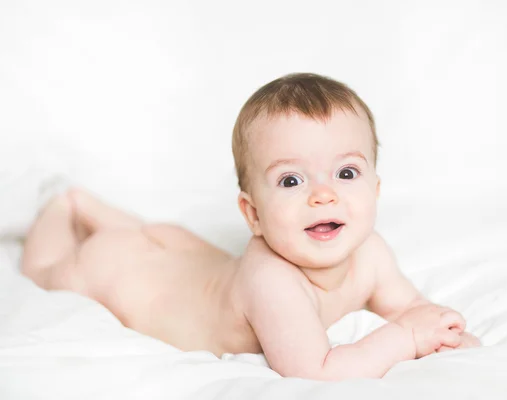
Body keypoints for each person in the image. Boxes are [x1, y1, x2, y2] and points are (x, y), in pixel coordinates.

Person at [21, 72, 481, 380]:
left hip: (185, 257)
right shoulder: (272, 280)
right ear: (253, 214)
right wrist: (406, 338)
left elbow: (410, 307)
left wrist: (441, 331)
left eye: (345, 173)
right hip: (128, 278)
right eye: (291, 179)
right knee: (48, 269)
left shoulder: (371, 252)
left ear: (375, 191)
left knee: (153, 236)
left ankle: (90, 206)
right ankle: (63, 204)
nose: (324, 195)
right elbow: (316, 371)